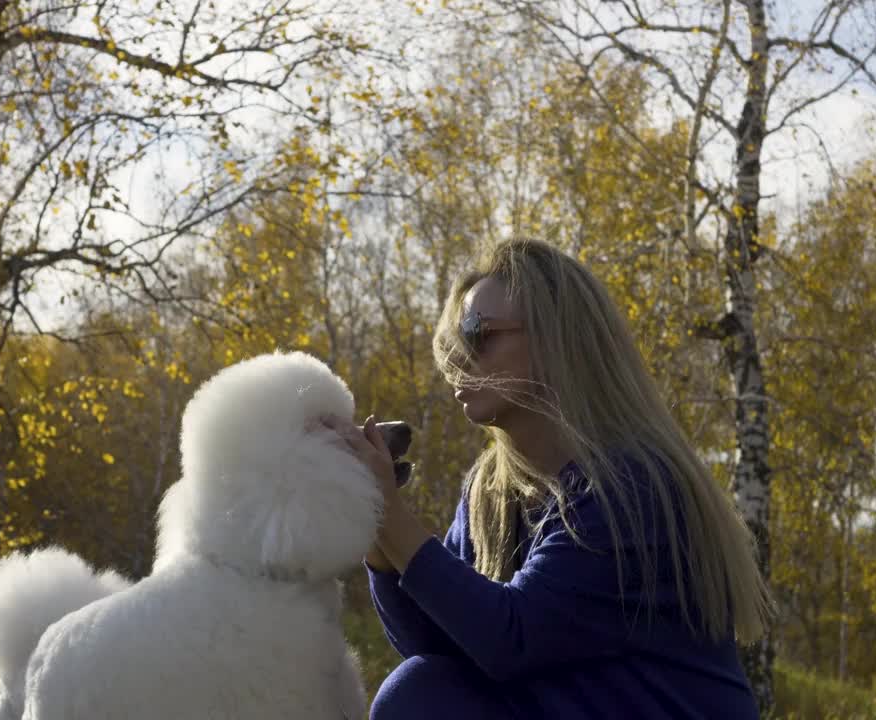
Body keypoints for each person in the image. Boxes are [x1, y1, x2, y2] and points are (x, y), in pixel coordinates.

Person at [323, 239, 772, 719]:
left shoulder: (631, 487)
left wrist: (394, 517)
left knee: (418, 695)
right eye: (455, 340)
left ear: (559, 339)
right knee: (422, 688)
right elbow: (437, 646)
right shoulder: (491, 491)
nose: (459, 357)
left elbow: (512, 639)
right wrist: (379, 538)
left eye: (478, 333)